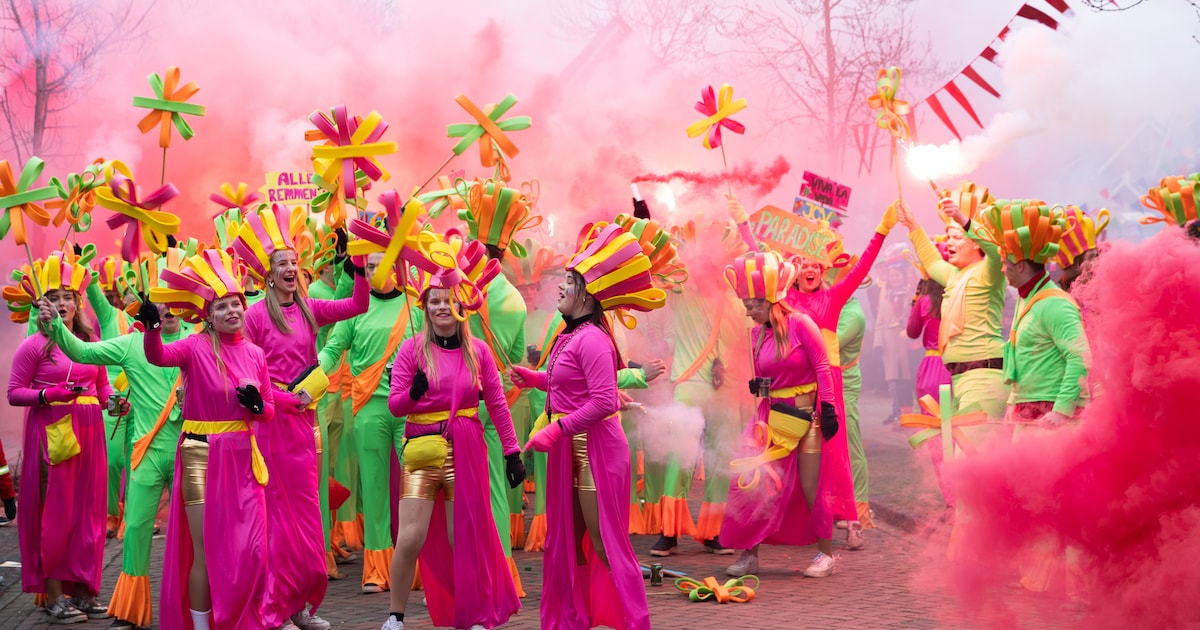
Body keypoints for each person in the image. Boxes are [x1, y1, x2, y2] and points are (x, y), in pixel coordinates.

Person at [512, 222, 662, 630]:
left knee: (605, 544)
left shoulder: (593, 339)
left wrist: (556, 430)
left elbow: (601, 400)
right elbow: (570, 388)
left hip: (594, 451)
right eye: (565, 278)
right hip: (573, 451)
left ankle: (632, 620)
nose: (561, 287)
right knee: (572, 543)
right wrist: (534, 378)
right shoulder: (568, 335)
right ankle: (578, 617)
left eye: (571, 281)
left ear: (588, 294)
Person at [43, 248, 192, 629]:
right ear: (151, 307)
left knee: (193, 533)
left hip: (190, 450)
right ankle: (130, 610)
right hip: (145, 451)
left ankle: (195, 606)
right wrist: (55, 325)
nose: (169, 309)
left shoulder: (200, 341)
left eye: (176, 301)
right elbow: (81, 350)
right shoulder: (130, 343)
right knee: (138, 529)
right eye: (161, 301)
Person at [236, 204, 369, 630]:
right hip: (271, 428)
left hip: (304, 430)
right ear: (268, 274)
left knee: (308, 519)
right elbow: (246, 377)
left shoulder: (311, 309)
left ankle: (300, 606)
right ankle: (275, 611)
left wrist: (360, 263)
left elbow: (358, 304)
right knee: (279, 522)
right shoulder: (255, 316)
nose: (291, 268)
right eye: (282, 263)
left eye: (294, 261)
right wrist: (282, 398)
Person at [381, 256, 524, 630]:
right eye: (435, 301)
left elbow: (496, 404)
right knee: (410, 537)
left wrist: (512, 452)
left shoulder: (478, 351)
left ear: (463, 304)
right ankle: (395, 617)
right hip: (421, 450)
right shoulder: (411, 349)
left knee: (464, 536)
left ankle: (474, 613)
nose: (443, 307)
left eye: (449, 300)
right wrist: (413, 393)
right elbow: (396, 407)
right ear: (425, 307)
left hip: (466, 447)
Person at [143, 248, 275, 630]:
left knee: (253, 548)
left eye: (236, 304)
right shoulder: (194, 347)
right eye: (222, 307)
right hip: (200, 453)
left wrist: (257, 406)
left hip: (242, 457)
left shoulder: (255, 353)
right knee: (204, 550)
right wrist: (152, 330)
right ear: (208, 316)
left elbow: (268, 411)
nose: (232, 311)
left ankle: (241, 617)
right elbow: (159, 357)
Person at [7, 254, 114, 623]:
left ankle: (84, 592)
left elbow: (102, 388)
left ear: (78, 303)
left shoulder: (90, 341)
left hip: (90, 435)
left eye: (69, 296)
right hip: (53, 435)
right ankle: (55, 598)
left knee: (89, 514)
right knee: (56, 516)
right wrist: (50, 394)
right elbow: (14, 392)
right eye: (54, 296)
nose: (63, 303)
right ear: (43, 305)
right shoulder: (35, 345)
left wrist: (114, 403)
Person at [721, 251, 841, 578]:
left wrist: (827, 408)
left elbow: (822, 367)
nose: (749, 312)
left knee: (811, 486)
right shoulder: (756, 334)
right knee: (751, 480)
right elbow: (766, 377)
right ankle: (749, 553)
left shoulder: (801, 324)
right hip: (770, 417)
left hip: (807, 419)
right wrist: (759, 386)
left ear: (771, 300)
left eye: (753, 306)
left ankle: (825, 555)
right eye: (746, 306)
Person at [317, 250, 423, 593]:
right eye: (369, 266)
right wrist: (309, 374)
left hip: (411, 409)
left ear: (397, 266)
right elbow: (333, 351)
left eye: (381, 264)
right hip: (368, 408)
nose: (375, 271)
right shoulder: (353, 308)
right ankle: (377, 570)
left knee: (416, 491)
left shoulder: (414, 307)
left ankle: (418, 569)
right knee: (375, 488)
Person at [895, 186, 1010, 427]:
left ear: (976, 244)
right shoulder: (954, 275)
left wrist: (963, 220)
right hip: (958, 378)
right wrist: (913, 224)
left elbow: (996, 248)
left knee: (971, 457)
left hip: (983, 378)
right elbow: (931, 259)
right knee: (961, 455)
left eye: (957, 238)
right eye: (948, 237)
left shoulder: (989, 272)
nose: (949, 243)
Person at [904, 243, 955, 512]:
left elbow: (912, 332)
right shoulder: (962, 294)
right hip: (960, 366)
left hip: (932, 369)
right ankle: (965, 490)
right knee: (961, 430)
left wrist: (917, 298)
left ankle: (951, 497)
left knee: (937, 435)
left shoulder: (925, 300)